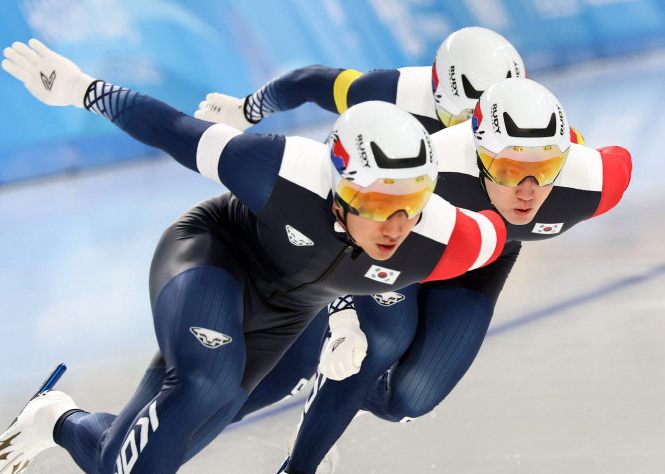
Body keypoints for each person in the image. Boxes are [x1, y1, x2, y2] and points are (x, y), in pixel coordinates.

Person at [0, 39, 507, 474]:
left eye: (410, 206)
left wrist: (345, 318)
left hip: (291, 311)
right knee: (206, 380)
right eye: (374, 202)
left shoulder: (440, 238)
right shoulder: (282, 170)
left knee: (134, 459)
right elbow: (173, 130)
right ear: (338, 186)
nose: (394, 226)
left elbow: (510, 222)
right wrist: (80, 88)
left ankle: (57, 420)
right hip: (214, 257)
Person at [193, 29, 631, 474]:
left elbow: (598, 166)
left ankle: (329, 398)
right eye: (460, 118)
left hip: (480, 246)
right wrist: (246, 110)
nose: (468, 130)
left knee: (410, 398)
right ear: (435, 95)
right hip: (393, 227)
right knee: (369, 344)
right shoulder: (398, 101)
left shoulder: (558, 155)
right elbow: (308, 85)